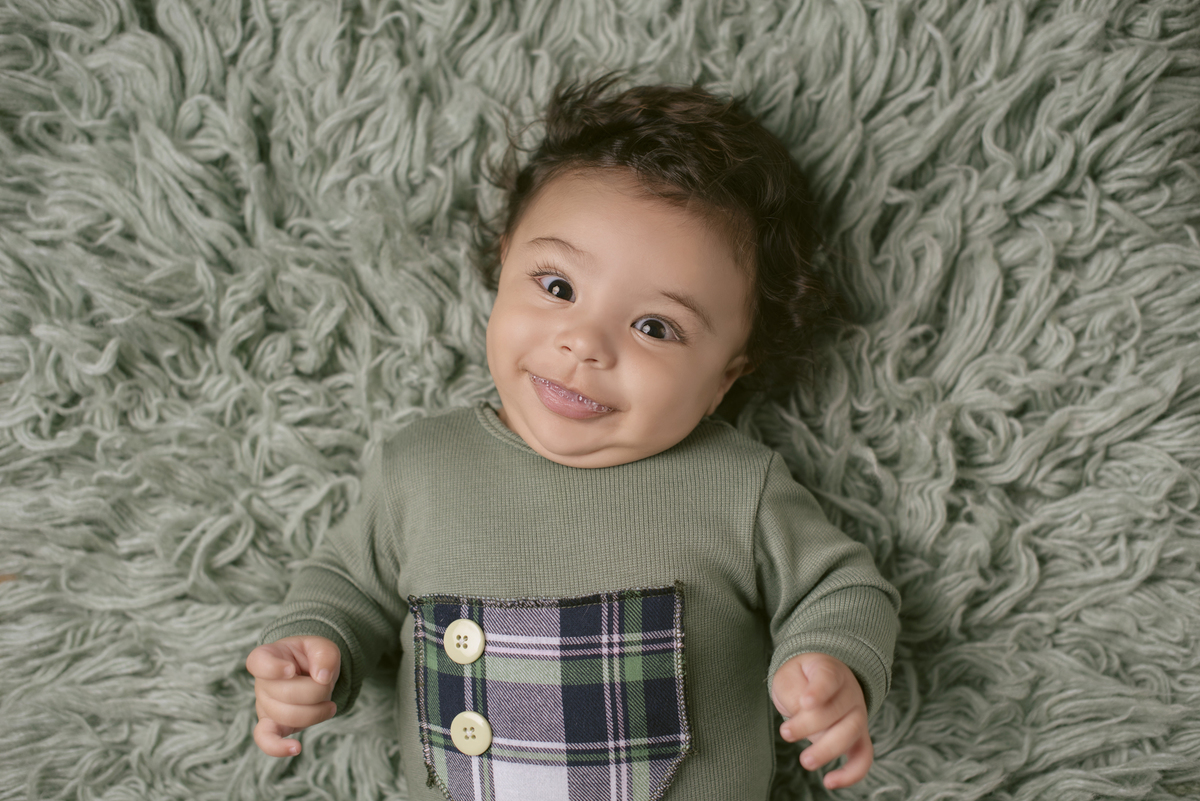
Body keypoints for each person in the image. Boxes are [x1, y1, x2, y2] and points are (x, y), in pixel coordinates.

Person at [246, 77, 901, 800]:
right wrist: (314, 647)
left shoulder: (737, 486)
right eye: (557, 287)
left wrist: (829, 663)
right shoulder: (421, 468)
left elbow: (841, 586)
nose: (584, 342)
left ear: (724, 377)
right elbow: (347, 581)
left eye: (655, 327)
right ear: (504, 263)